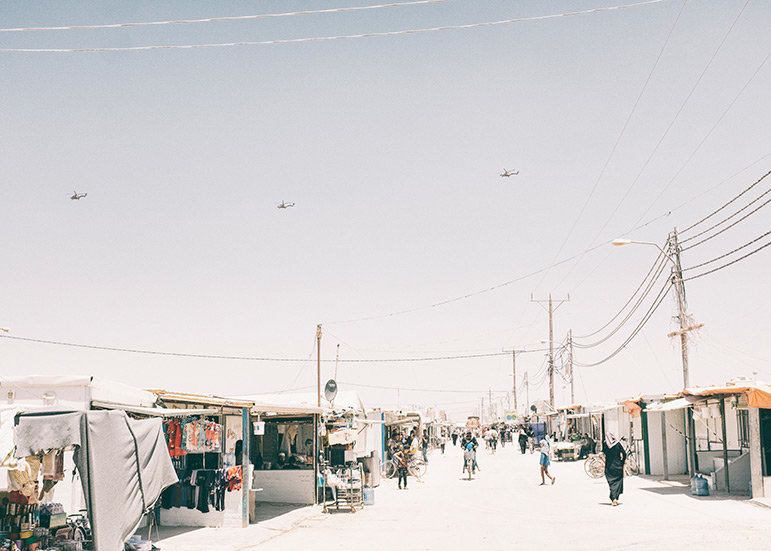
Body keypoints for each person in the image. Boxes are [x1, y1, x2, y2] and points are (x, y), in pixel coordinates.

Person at [603, 433, 626, 506]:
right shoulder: (618, 444)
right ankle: (615, 498)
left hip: (609, 466)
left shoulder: (606, 444)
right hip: (618, 466)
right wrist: (622, 462)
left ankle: (613, 498)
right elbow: (624, 453)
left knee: (611, 483)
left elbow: (604, 452)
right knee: (618, 482)